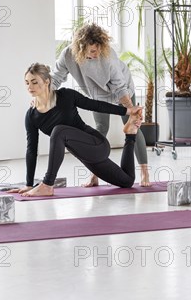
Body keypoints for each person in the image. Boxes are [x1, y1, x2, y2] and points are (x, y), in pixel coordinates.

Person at [10, 63, 143, 197]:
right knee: (127, 181)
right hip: (85, 155)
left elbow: (95, 105)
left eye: (34, 82)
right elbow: (31, 150)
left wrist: (127, 111)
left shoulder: (66, 95)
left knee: (58, 130)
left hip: (97, 144)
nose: (30, 87)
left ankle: (47, 184)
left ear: (46, 82)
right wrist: (28, 184)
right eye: (27, 83)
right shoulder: (31, 116)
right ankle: (130, 134)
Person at [51, 23, 151, 187]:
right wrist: (42, 95)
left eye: (98, 48)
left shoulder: (107, 55)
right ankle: (95, 174)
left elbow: (119, 87)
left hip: (123, 90)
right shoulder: (68, 55)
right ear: (81, 48)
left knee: (133, 125)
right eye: (92, 51)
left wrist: (131, 109)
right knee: (100, 128)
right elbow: (55, 78)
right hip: (97, 95)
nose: (96, 53)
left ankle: (144, 172)